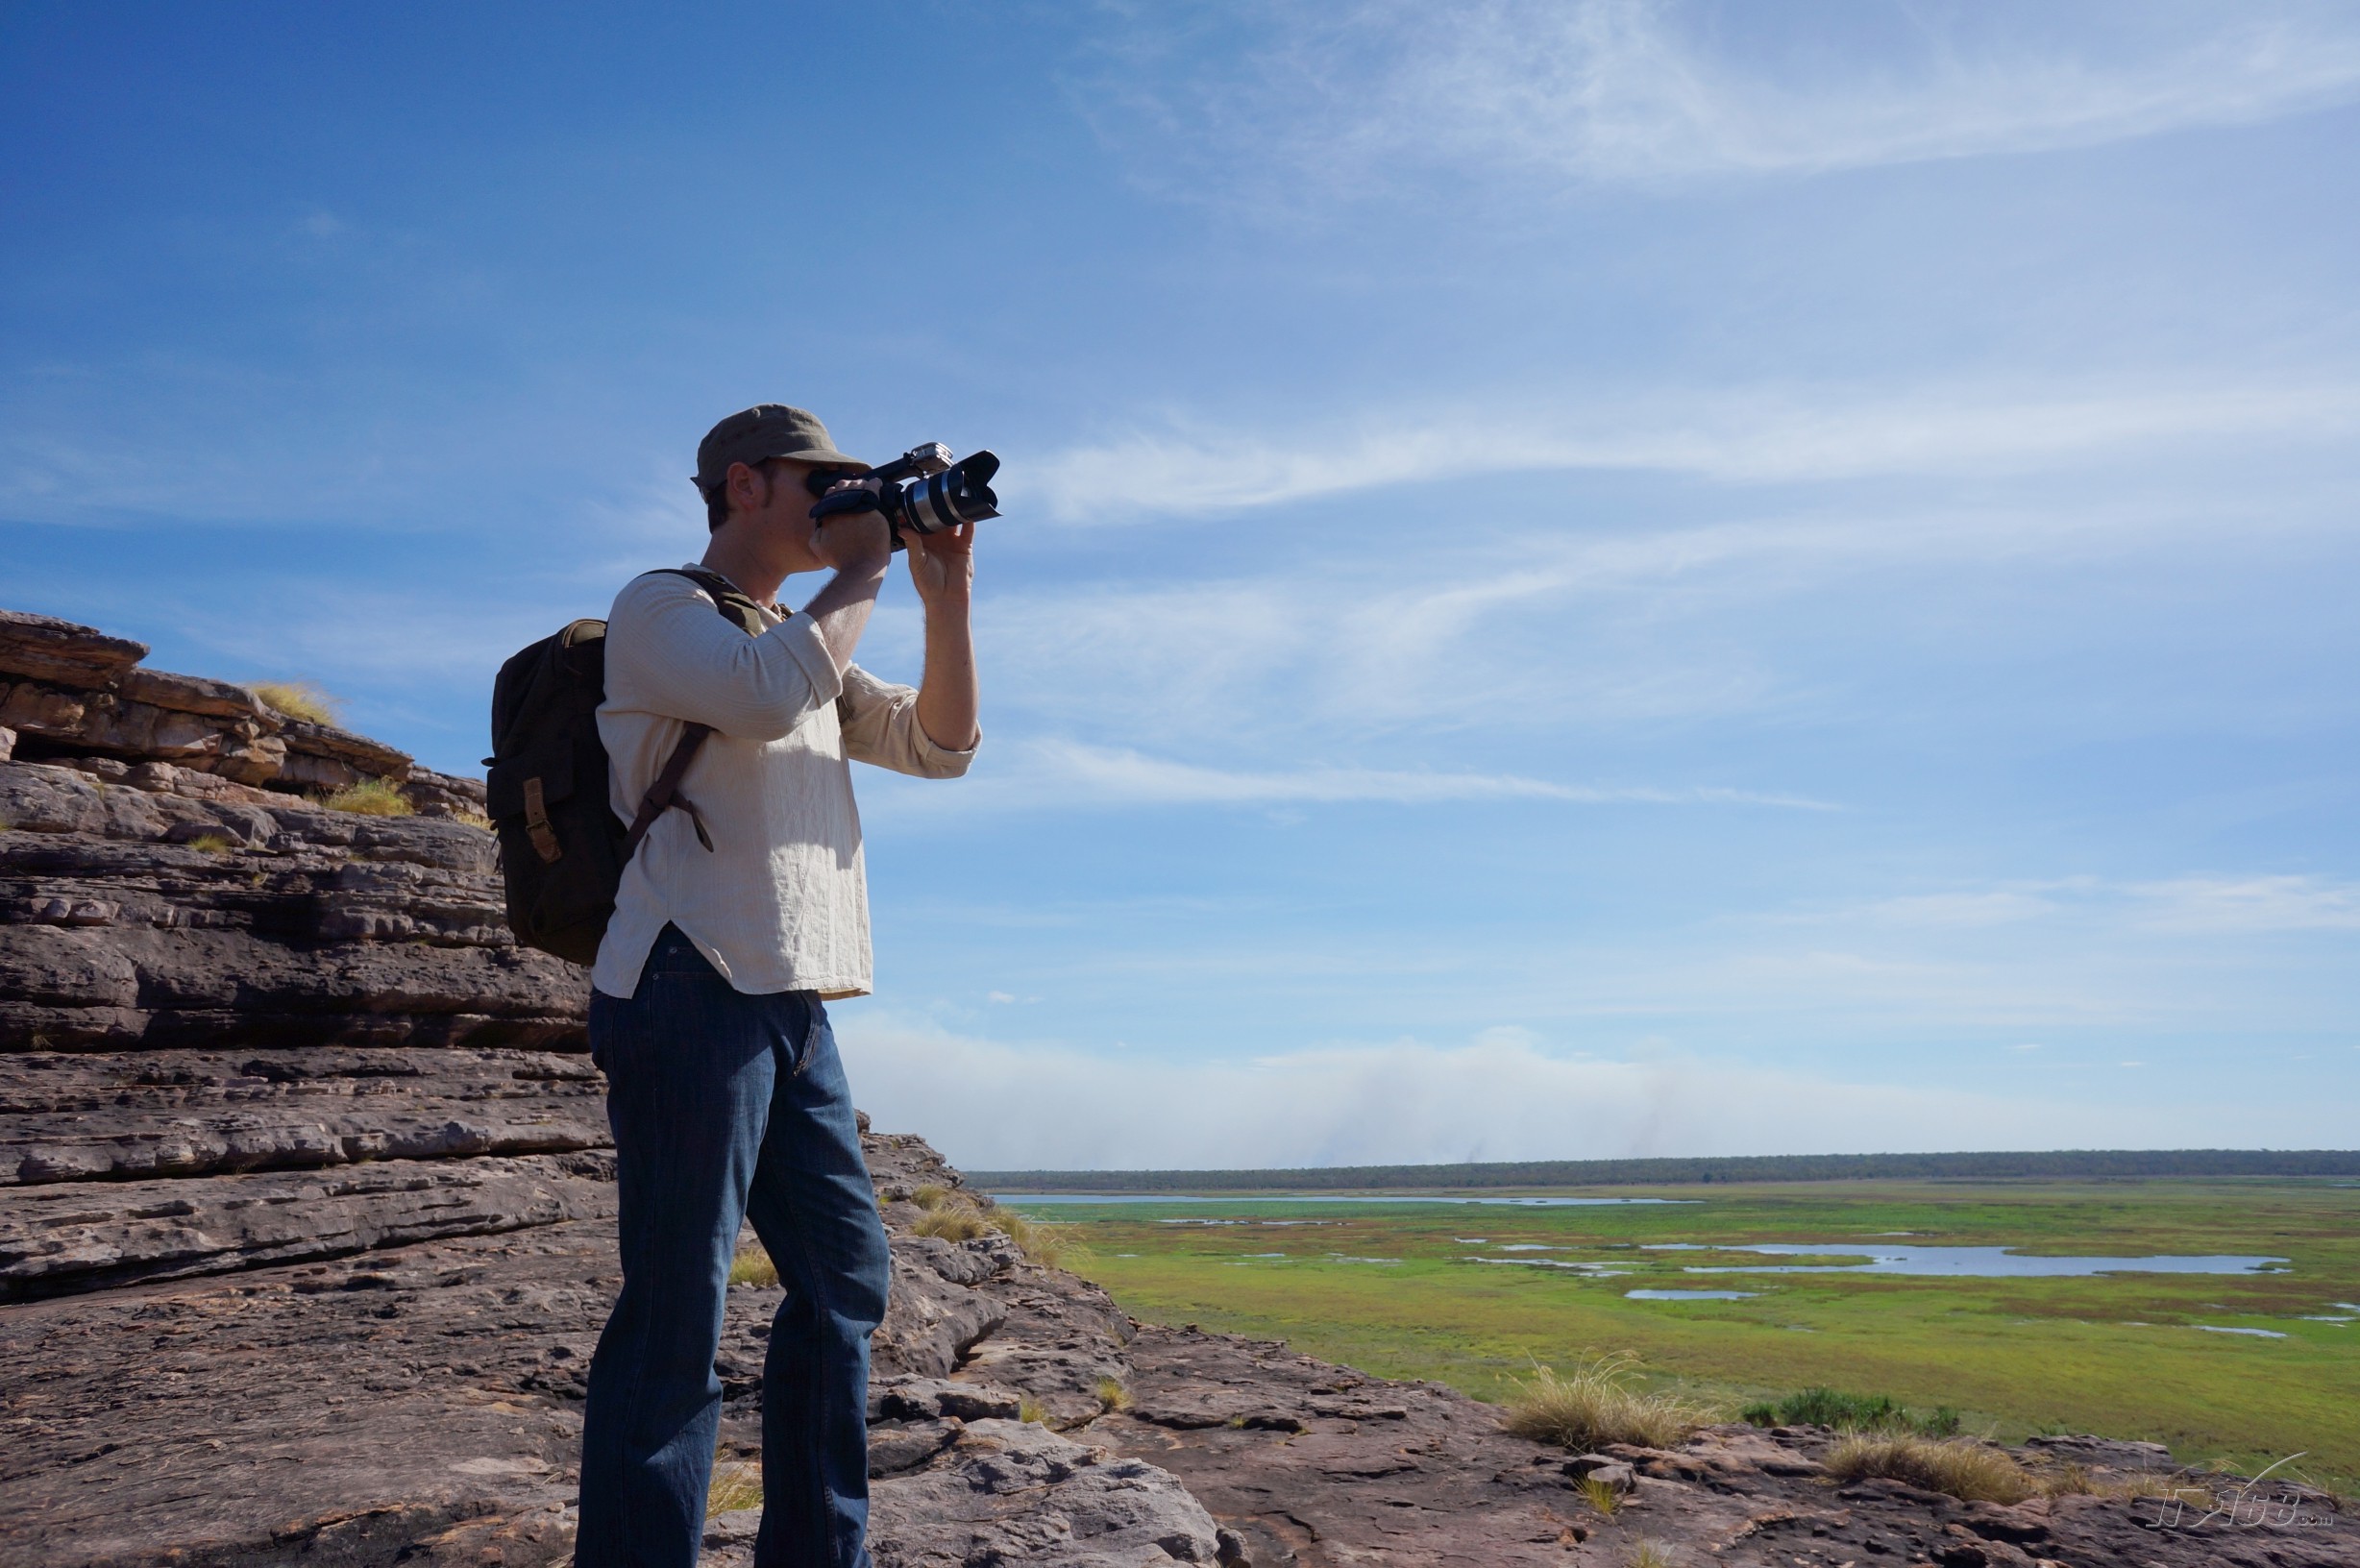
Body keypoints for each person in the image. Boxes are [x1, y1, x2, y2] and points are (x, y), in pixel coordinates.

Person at [574, 404, 978, 1568]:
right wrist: (859, 567)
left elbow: (939, 745)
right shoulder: (662, 609)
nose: (845, 500)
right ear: (743, 485)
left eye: (858, 487)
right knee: (677, 1308)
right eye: (824, 481)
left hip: (793, 1001)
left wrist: (938, 589)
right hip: (685, 976)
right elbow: (759, 697)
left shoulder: (801, 637)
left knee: (847, 1280)